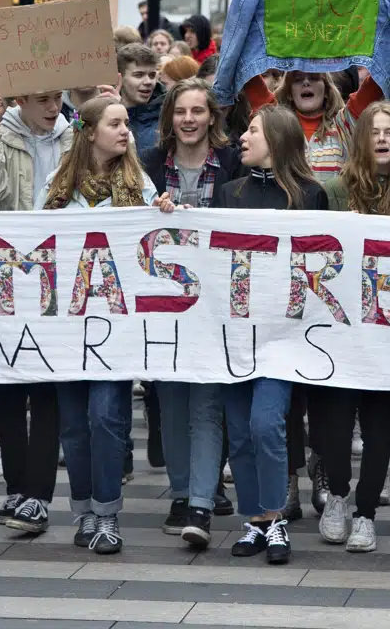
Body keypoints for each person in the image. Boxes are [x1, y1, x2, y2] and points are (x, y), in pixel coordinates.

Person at [43, 95, 173, 553]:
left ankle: (107, 513)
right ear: (90, 131)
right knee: (75, 425)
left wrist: (165, 215)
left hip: (115, 327)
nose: (126, 132)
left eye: (127, 124)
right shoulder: (55, 186)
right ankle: (83, 512)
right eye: (115, 124)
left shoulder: (139, 184)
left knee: (107, 416)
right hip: (68, 328)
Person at [212, 106, 328, 564]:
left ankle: (277, 519)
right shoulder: (227, 193)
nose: (242, 136)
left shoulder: (310, 195)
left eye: (253, 131)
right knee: (239, 432)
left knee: (266, 424)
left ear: (277, 139)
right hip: (235, 333)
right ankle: (255, 521)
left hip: (283, 336)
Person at [319, 102, 390, 553]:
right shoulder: (334, 190)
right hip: (343, 328)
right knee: (336, 425)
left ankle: (366, 512)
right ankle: (338, 498)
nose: (383, 138)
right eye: (374, 131)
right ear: (360, 139)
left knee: (379, 424)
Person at [141, 79, 243, 547]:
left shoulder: (234, 165)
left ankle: (201, 503)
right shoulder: (146, 166)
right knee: (171, 403)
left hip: (218, 308)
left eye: (197, 111)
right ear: (169, 118)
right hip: (161, 308)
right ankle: (181, 493)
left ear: (211, 118)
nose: (188, 119)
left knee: (206, 406)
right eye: (180, 111)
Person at [0, 88, 74, 533]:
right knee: (10, 389)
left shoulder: (74, 139)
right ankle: (16, 488)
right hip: (8, 277)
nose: (54, 108)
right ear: (20, 101)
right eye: (43, 101)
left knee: (47, 394)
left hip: (60, 276)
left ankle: (39, 496)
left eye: (57, 99)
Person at [239, 69, 381, 177]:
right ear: (289, 92)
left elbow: (378, 80)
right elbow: (248, 74)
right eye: (298, 79)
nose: (306, 82)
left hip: (334, 214)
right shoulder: (276, 124)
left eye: (314, 78)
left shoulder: (343, 124)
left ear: (326, 91)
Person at [117, 43, 164, 155]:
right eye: (138, 75)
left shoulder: (167, 115)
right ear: (119, 78)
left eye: (152, 75)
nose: (148, 82)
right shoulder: (101, 108)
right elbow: (77, 126)